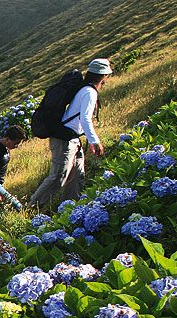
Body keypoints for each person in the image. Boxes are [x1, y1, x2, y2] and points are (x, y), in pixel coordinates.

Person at [30, 58, 113, 207]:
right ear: (103, 76)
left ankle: (71, 208)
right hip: (64, 140)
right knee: (58, 177)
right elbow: (85, 119)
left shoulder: (85, 89)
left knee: (77, 177)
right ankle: (32, 207)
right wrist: (95, 142)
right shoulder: (89, 92)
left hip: (72, 139)